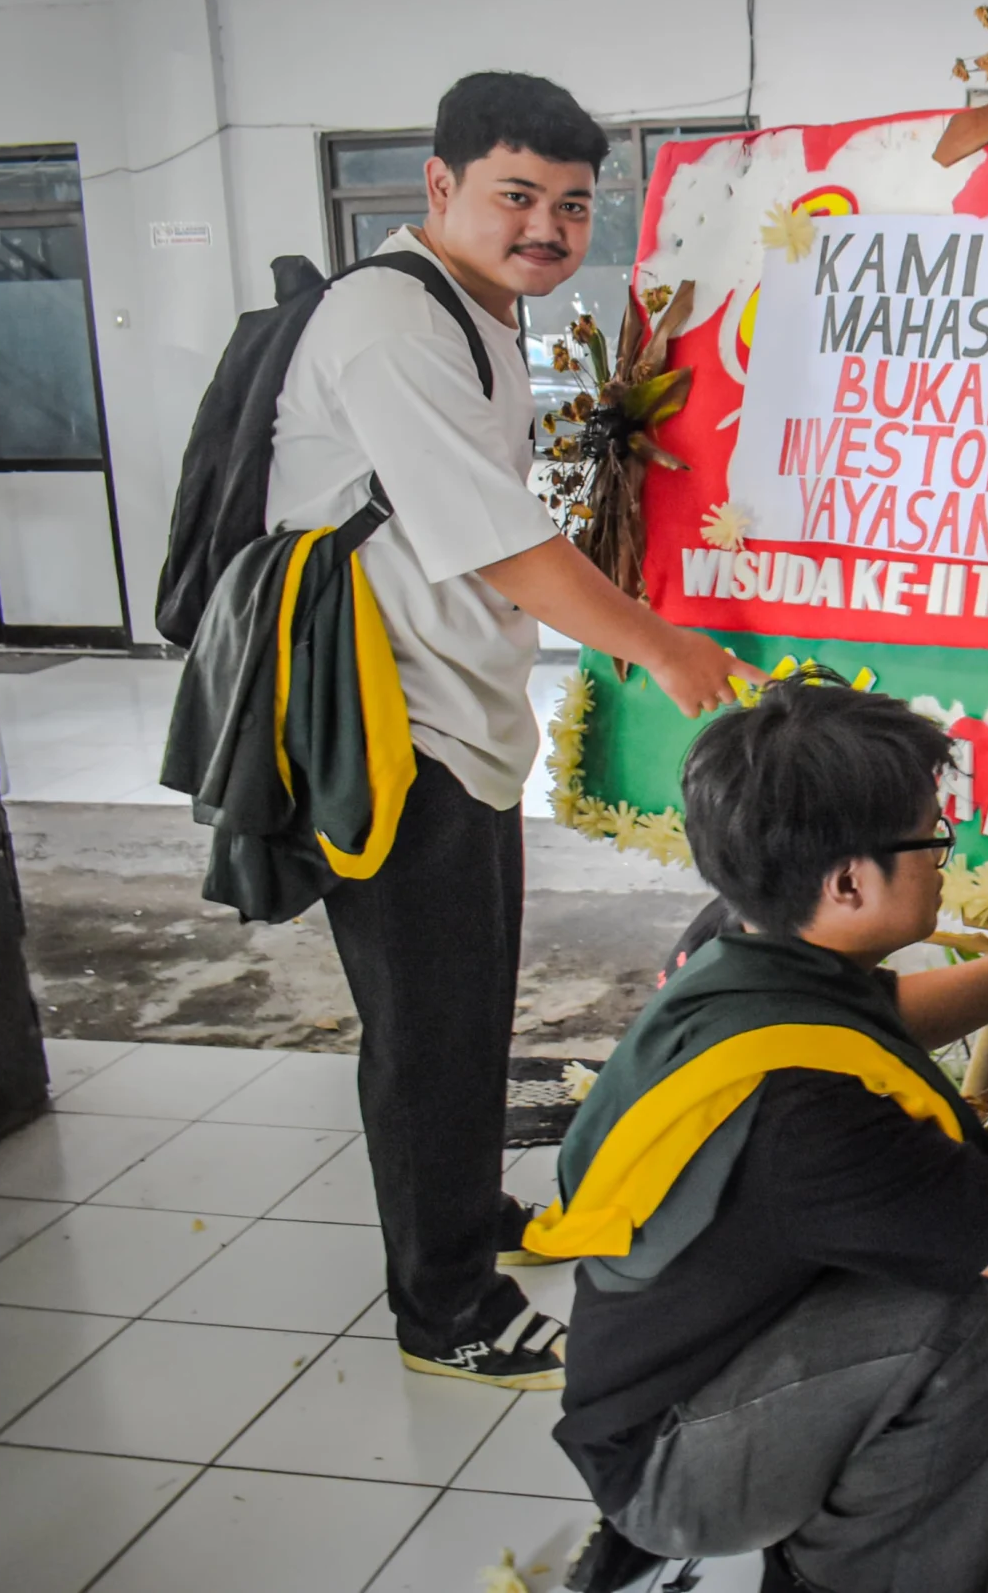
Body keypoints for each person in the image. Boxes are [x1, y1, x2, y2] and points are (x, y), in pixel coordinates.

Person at [268, 71, 759, 1388]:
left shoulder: (474, 310)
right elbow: (499, 542)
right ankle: (448, 1312)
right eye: (515, 195)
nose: (545, 226)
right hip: (385, 730)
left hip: (456, 720)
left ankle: (466, 1221)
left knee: (470, 1004)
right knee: (428, 1026)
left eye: (570, 203)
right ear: (440, 187)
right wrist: (657, 644)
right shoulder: (391, 325)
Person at [542, 675, 988, 1593]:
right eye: (932, 838)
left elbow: (882, 1015)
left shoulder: (741, 944)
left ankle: (843, 1489)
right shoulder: (801, 1113)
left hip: (747, 1346)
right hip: (675, 1455)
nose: (945, 855)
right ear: (850, 881)